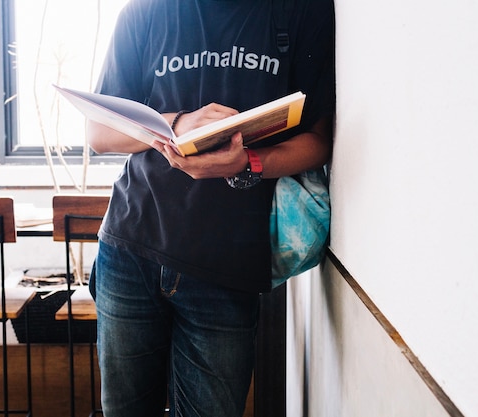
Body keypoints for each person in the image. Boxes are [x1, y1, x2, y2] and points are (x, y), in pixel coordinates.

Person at [86, 0, 335, 415]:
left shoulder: (301, 11)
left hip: (228, 265)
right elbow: (99, 131)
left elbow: (319, 141)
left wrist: (248, 163)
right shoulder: (144, 13)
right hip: (131, 248)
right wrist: (178, 122)